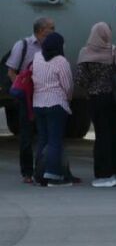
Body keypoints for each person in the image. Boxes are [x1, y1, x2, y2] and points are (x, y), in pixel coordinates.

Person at [76, 22, 116, 188]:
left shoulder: (85, 53)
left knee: (102, 136)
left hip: (98, 99)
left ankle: (104, 175)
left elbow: (81, 80)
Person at [6, 17, 54, 184]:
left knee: (44, 135)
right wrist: (21, 90)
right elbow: (11, 71)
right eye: (51, 28)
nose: (53, 31)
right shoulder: (23, 45)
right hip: (26, 97)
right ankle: (27, 172)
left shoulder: (51, 47)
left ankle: (42, 169)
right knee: (26, 135)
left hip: (44, 96)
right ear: (41, 30)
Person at [32, 32, 73, 187]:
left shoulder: (37, 57)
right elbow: (67, 85)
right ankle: (53, 175)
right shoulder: (61, 61)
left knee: (43, 139)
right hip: (56, 104)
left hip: (38, 103)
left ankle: (39, 174)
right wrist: (68, 99)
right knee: (55, 140)